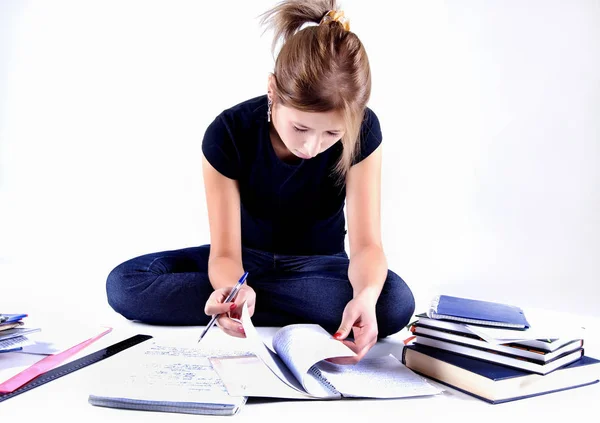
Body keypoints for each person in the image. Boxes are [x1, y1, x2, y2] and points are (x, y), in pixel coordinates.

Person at [106, 0, 415, 364]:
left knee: (393, 302)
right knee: (126, 284)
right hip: (242, 262)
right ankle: (274, 305)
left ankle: (250, 306)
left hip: (319, 265)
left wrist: (364, 295)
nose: (311, 147)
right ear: (273, 90)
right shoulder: (228, 133)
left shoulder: (364, 131)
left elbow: (367, 247)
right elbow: (224, 254)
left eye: (331, 133)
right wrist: (234, 288)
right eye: (300, 127)